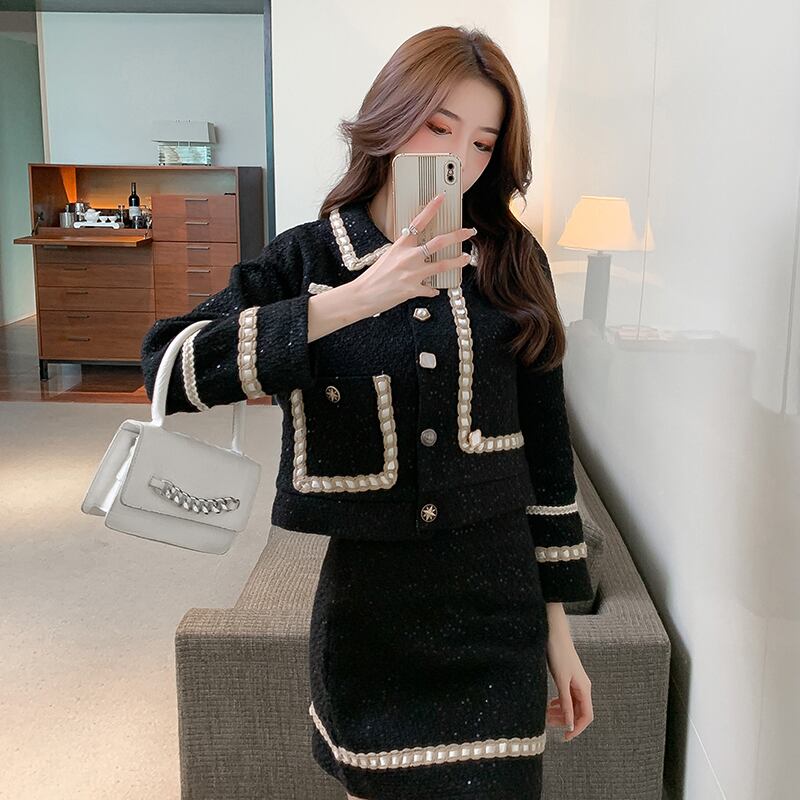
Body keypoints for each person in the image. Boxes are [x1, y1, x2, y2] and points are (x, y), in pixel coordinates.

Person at [140, 24, 594, 800]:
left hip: (498, 614)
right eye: (438, 126)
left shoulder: (514, 260)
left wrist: (559, 629)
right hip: (368, 623)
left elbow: (548, 455)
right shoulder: (307, 258)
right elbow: (168, 367)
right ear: (390, 117)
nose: (460, 157)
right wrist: (351, 302)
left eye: (484, 143)